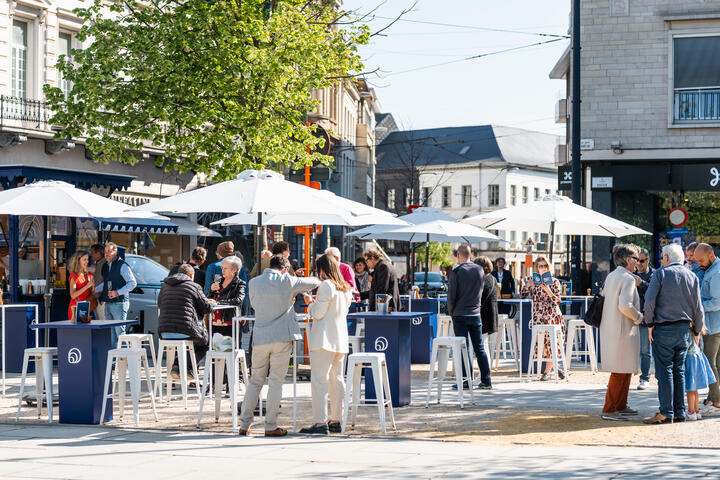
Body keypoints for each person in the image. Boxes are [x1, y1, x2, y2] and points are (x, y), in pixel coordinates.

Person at [239, 254, 320, 437]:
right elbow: (314, 282)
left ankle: (245, 424)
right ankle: (270, 425)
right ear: (284, 269)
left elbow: (253, 304)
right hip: (282, 336)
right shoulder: (288, 280)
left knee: (255, 381)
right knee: (276, 382)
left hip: (260, 336)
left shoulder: (254, 282)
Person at [643, 243, 704, 424]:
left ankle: (666, 412)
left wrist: (650, 323)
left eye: (662, 257)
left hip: (664, 328)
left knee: (665, 371)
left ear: (667, 258)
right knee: (679, 370)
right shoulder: (692, 276)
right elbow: (698, 308)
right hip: (685, 329)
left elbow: (649, 301)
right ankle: (679, 412)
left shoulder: (660, 274)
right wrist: (697, 330)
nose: (662, 260)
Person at [300, 254, 353, 435]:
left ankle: (320, 421)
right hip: (340, 339)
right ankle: (337, 419)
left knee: (319, 381)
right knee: (337, 380)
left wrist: (310, 304)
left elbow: (319, 313)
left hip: (323, 339)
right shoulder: (346, 289)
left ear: (322, 269)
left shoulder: (326, 285)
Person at [599, 244, 643, 421]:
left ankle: (620, 405)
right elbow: (625, 305)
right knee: (620, 370)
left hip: (612, 327)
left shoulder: (612, 276)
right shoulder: (628, 278)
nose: (638, 263)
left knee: (623, 368)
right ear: (628, 260)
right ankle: (610, 408)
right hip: (623, 329)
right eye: (636, 260)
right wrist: (639, 316)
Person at [158, 264, 214, 379]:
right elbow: (206, 308)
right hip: (185, 331)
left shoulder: (165, 286)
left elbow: (160, 304)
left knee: (185, 342)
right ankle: (188, 368)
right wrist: (211, 302)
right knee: (205, 344)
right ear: (191, 275)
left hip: (164, 332)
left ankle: (176, 366)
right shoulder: (194, 286)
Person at [448, 244, 491, 389]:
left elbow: (451, 296)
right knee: (479, 348)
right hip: (475, 313)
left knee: (463, 348)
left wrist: (451, 312)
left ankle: (466, 380)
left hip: (460, 313)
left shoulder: (456, 271)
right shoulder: (479, 270)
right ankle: (486, 379)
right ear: (470, 255)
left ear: (459, 256)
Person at [520, 256, 564, 381]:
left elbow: (557, 300)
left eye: (545, 266)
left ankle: (546, 372)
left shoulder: (554, 281)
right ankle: (555, 367)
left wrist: (548, 290)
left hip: (552, 315)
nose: (543, 268)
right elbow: (522, 296)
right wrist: (527, 286)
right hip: (538, 316)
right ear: (536, 268)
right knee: (540, 344)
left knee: (551, 343)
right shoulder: (532, 280)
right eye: (540, 266)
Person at [694, 243, 720, 415]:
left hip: (713, 326)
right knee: (716, 363)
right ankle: (714, 397)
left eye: (701, 260)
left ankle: (716, 400)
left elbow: (717, 302)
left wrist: (698, 306)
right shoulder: (710, 269)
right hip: (714, 324)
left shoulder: (716, 273)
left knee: (710, 363)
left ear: (711, 255)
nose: (699, 264)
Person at [95, 242, 137, 346]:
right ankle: (115, 361)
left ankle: (127, 359)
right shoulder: (105, 266)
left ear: (116, 252)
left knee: (120, 334)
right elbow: (106, 283)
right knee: (111, 334)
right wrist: (95, 289)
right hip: (108, 303)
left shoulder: (122, 265)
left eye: (109, 251)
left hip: (120, 303)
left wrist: (118, 292)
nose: (107, 254)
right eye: (105, 252)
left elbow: (133, 283)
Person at [208, 255, 247, 344]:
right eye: (222, 268)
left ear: (234, 270)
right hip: (214, 322)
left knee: (230, 350)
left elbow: (238, 300)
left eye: (226, 268)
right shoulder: (218, 281)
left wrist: (218, 303)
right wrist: (211, 290)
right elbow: (210, 299)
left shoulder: (240, 284)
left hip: (230, 322)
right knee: (215, 351)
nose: (223, 270)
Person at [634, 248, 655, 390]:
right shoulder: (631, 273)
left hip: (646, 317)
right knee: (629, 349)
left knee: (645, 350)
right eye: (637, 260)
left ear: (647, 260)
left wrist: (641, 283)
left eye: (641, 261)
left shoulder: (654, 274)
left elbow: (653, 293)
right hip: (631, 316)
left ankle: (645, 378)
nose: (639, 264)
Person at [684, 329, 716, 421]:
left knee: (690, 389)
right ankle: (696, 411)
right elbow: (701, 347)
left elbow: (686, 347)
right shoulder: (699, 331)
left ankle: (691, 412)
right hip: (698, 357)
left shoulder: (689, 332)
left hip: (690, 359)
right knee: (695, 389)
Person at [474, 255, 498, 355]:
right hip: (491, 316)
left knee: (481, 346)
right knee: (484, 344)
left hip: (482, 316)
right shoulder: (493, 279)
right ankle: (485, 369)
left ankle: (483, 370)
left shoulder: (481, 280)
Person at [67, 251, 94, 321]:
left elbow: (92, 292)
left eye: (87, 259)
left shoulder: (89, 275)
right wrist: (87, 286)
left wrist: (94, 287)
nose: (87, 261)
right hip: (75, 307)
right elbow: (73, 295)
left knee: (85, 331)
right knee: (75, 331)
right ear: (78, 261)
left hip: (86, 307)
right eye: (84, 259)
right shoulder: (73, 276)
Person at [89, 244, 106, 319]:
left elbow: (107, 282)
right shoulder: (99, 263)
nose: (91, 255)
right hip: (97, 298)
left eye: (92, 253)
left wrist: (103, 297)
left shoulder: (104, 264)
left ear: (98, 254)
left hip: (101, 299)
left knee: (102, 322)